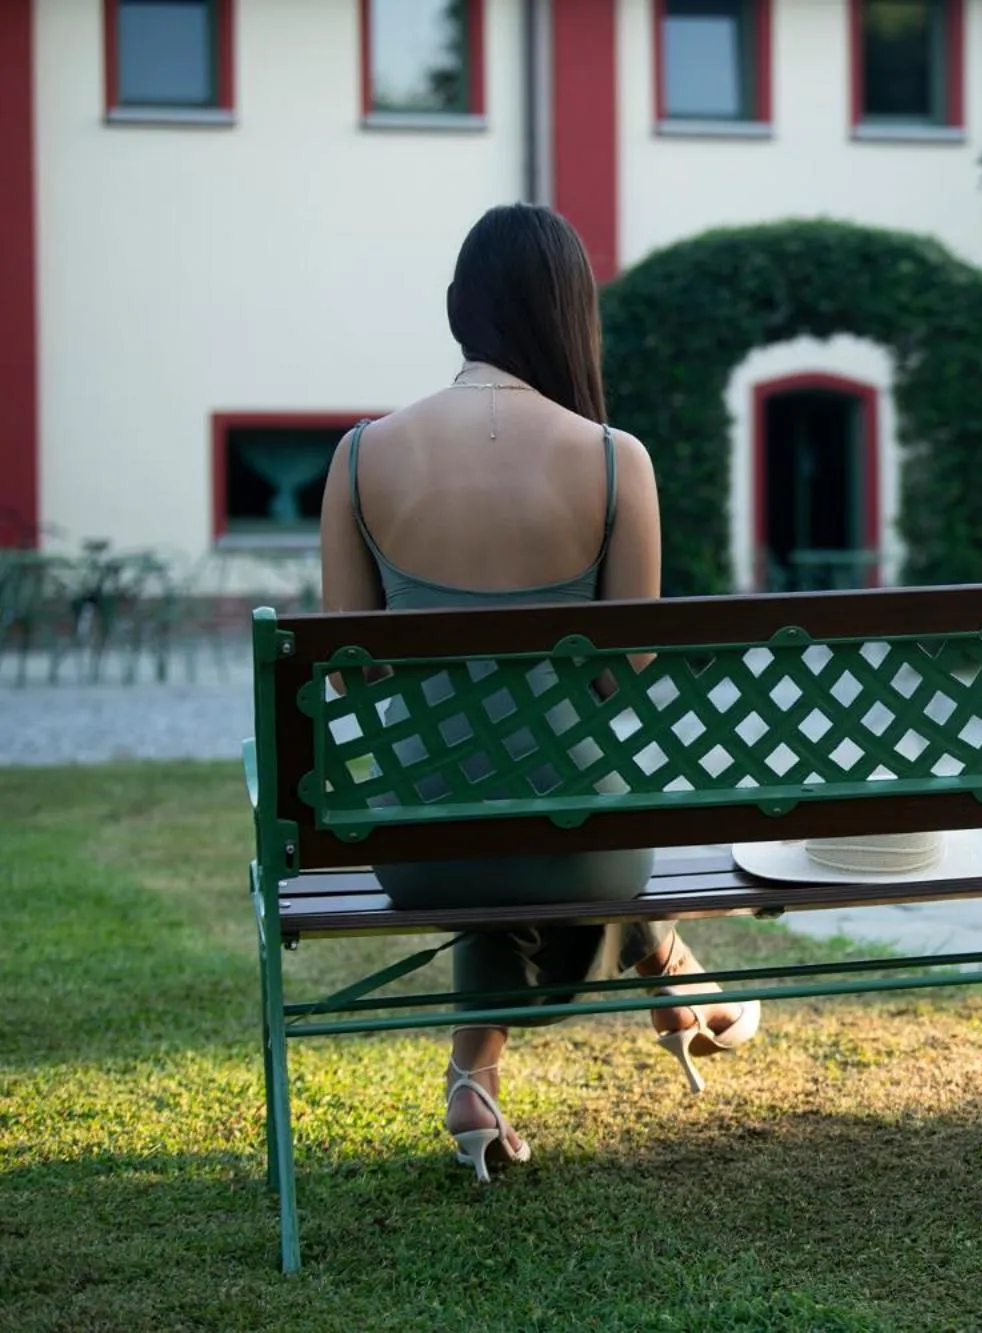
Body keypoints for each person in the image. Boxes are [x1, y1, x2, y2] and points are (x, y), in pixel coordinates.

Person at [317, 204, 759, 1182]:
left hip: (420, 852)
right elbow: (625, 667)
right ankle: (672, 969)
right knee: (558, 807)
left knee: (482, 797)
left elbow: (348, 665)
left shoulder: (357, 457)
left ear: (452, 311)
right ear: (572, 315)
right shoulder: (616, 459)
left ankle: (483, 1075)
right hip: (584, 853)